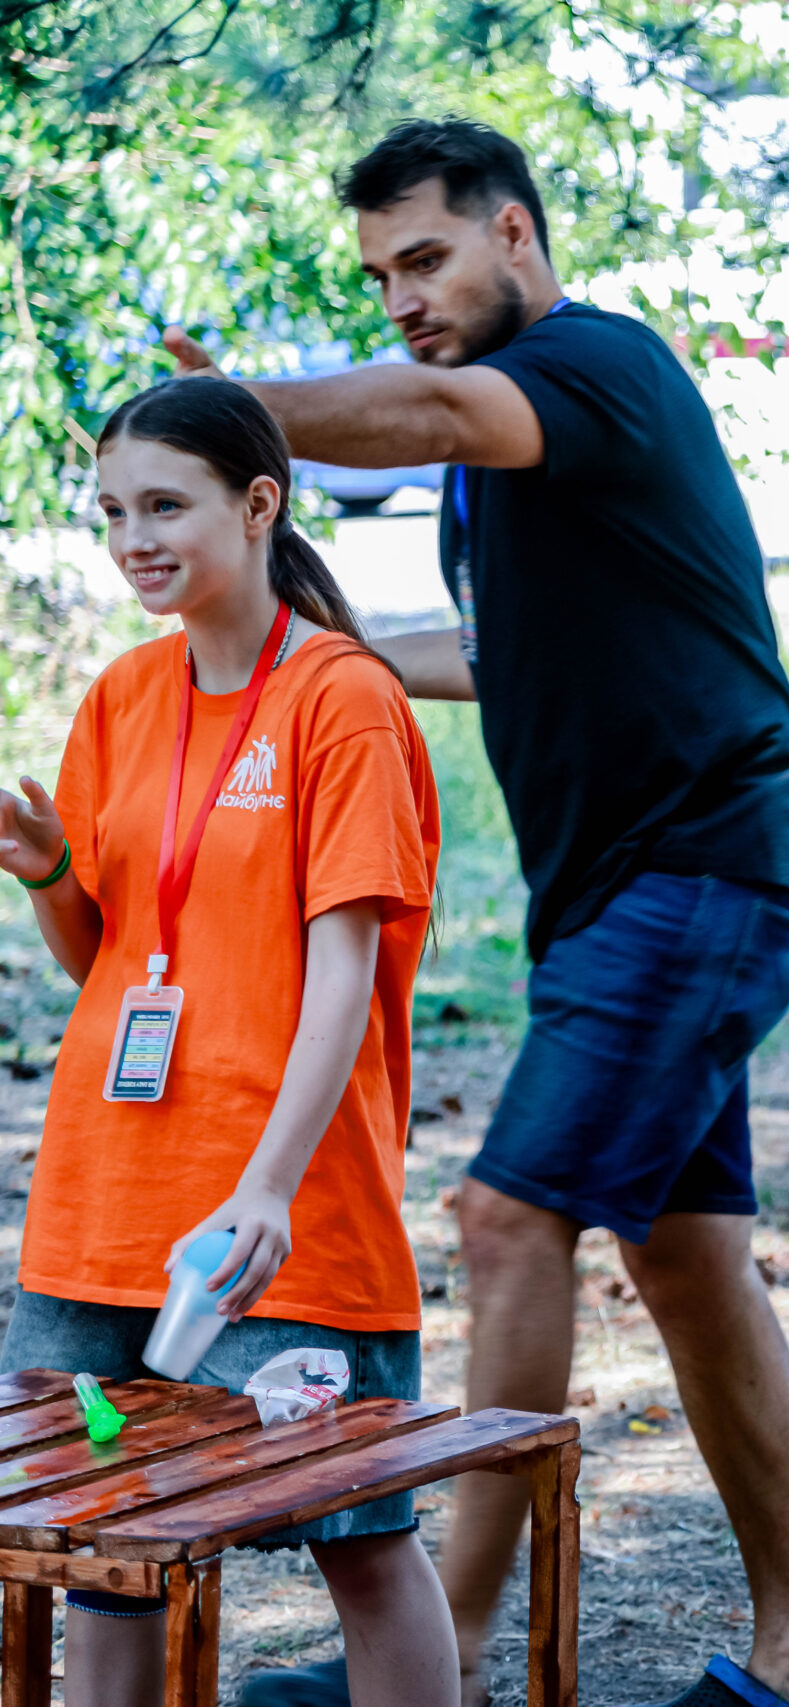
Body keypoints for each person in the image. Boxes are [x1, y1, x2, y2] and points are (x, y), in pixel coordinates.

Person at [161, 119, 789, 1707]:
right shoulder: (505, 481)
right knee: (687, 1258)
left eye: (427, 258)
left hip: (703, 865)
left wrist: (235, 413)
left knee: (506, 1215)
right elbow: (499, 649)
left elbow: (435, 407)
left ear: (515, 236)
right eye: (379, 274)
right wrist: (329, 638)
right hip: (621, 892)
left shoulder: (593, 368)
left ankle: (440, 1660)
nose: (403, 296)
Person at [0, 377, 451, 1705]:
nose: (136, 536)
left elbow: (345, 976)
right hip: (102, 1207)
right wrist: (47, 875)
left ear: (259, 504)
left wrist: (264, 1182)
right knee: (100, 1538)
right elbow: (112, 962)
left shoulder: (343, 698)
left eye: (166, 505)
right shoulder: (121, 696)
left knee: (359, 1539)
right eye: (113, 512)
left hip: (281, 1217)